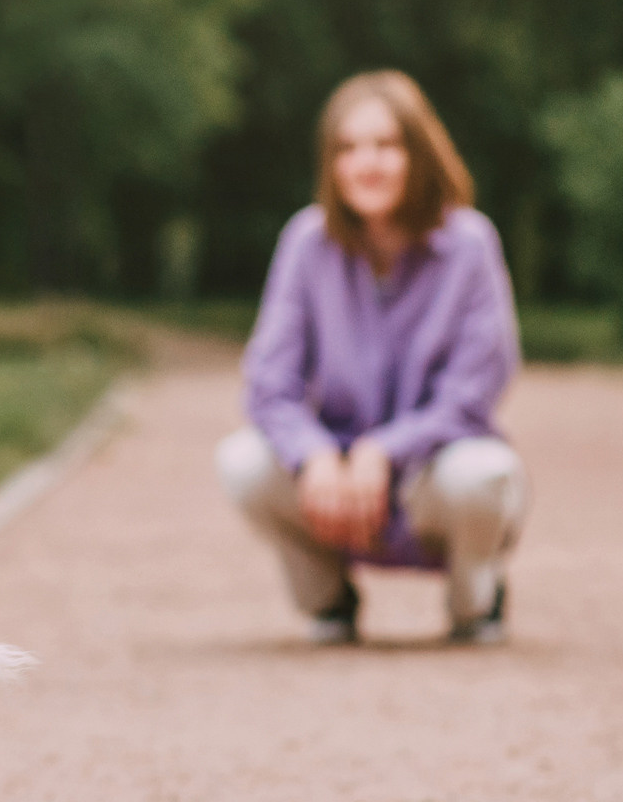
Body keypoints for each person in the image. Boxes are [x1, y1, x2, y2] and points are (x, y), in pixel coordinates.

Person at [216, 70, 527, 645]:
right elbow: (269, 383)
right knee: (243, 462)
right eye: (348, 148)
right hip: (334, 484)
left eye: (387, 145)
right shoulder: (306, 243)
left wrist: (384, 450)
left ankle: (474, 603)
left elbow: (475, 390)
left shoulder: (470, 245)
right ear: (331, 164)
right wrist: (315, 457)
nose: (368, 163)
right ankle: (328, 598)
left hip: (432, 476)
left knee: (483, 476)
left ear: (419, 151)